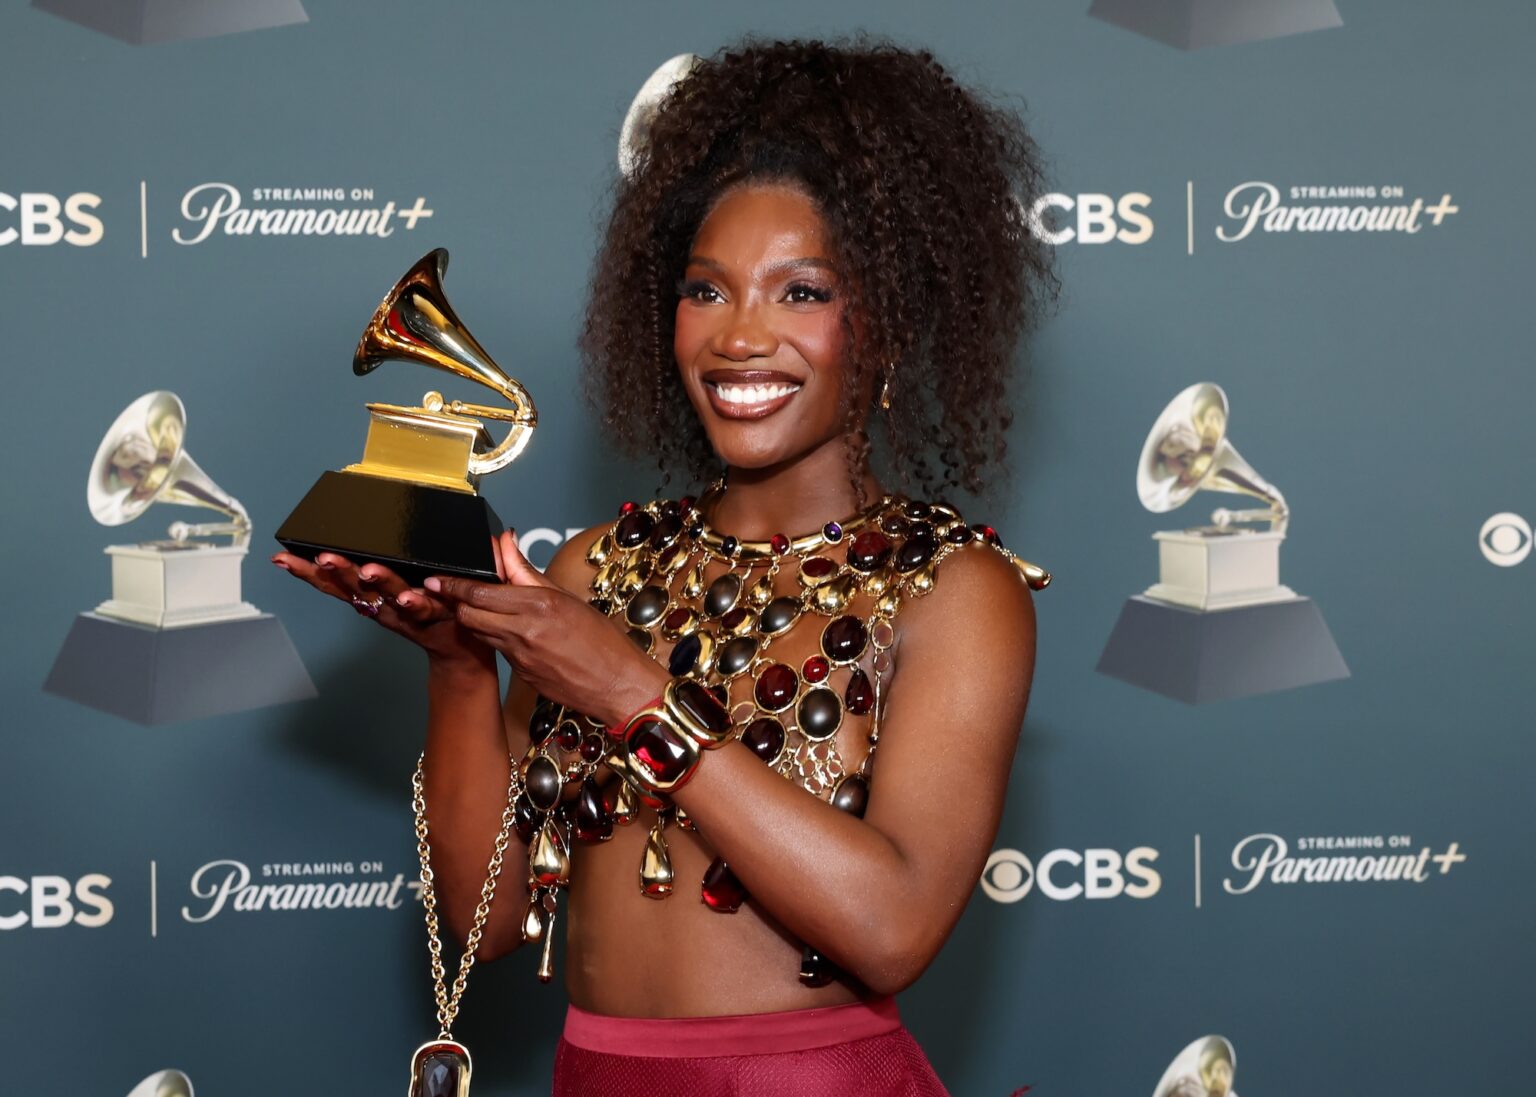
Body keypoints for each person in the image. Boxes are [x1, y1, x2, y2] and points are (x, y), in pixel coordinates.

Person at [273, 36, 1057, 1096]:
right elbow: (486, 918)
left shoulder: (955, 587)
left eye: (801, 293)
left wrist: (626, 688)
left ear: (890, 324)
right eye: (706, 289)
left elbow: (891, 927)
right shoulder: (603, 566)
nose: (740, 336)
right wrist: (460, 668)